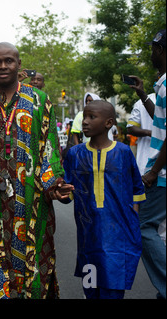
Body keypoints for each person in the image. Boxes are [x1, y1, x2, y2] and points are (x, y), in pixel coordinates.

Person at [0, 42, 73, 299]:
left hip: (32, 197)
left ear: (19, 64)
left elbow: (49, 150)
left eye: (9, 60)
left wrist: (53, 184)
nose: (3, 66)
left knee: (35, 267)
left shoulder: (38, 100)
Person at [62, 100, 145, 299]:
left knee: (113, 287)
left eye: (92, 117)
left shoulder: (123, 152)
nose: (85, 122)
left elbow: (137, 188)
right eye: (85, 116)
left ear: (108, 123)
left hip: (119, 234)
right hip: (88, 235)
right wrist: (62, 193)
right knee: (91, 287)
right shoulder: (75, 154)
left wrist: (132, 218)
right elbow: (68, 193)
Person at [128, 29, 166, 299]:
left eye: (153, 48)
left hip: (162, 172)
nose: (151, 53)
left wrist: (153, 171)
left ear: (161, 50)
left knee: (142, 225)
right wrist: (143, 95)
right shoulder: (160, 86)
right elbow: (161, 120)